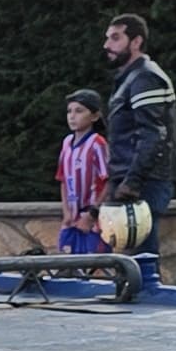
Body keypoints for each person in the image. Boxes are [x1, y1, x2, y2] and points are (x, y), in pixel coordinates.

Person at [98, 9, 176, 259]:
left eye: (115, 38)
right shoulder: (130, 77)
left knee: (141, 258)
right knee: (129, 259)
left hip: (145, 181)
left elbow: (153, 135)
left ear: (136, 42)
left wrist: (132, 182)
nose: (107, 45)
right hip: (132, 178)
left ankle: (145, 296)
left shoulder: (145, 76)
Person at [54, 89, 111, 255]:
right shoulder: (66, 143)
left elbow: (109, 180)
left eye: (79, 111)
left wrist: (92, 214)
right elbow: (63, 180)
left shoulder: (97, 143)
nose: (72, 116)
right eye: (69, 111)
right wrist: (66, 213)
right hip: (72, 219)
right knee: (66, 264)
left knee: (95, 269)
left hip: (93, 220)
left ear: (94, 116)